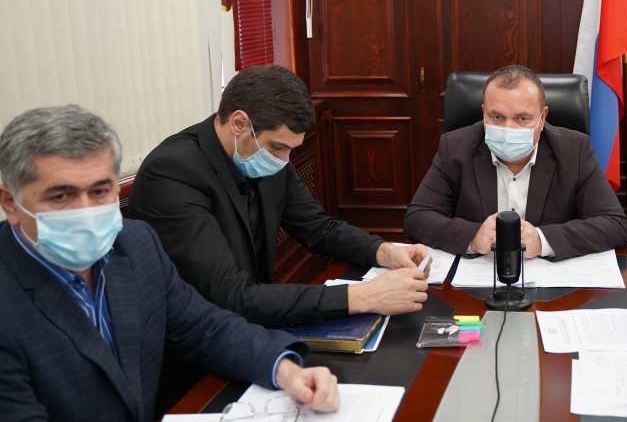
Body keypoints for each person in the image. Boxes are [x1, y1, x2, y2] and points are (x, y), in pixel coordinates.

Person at [0, 105, 339, 421]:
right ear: (11, 203)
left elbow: (203, 328)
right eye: (61, 196)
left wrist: (285, 369)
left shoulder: (136, 244)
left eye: (100, 191)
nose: (86, 212)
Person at [130, 65, 429, 327]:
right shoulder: (172, 174)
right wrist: (364, 296)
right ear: (239, 123)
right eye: (277, 147)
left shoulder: (260, 154)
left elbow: (318, 227)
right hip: (199, 347)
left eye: (290, 149)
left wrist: (383, 251)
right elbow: (232, 297)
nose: (284, 160)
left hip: (251, 324)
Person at [404, 65, 627, 260]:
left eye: (522, 118)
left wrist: (542, 240)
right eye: (497, 117)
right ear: (483, 113)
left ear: (542, 118)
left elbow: (614, 224)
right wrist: (473, 236)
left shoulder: (574, 150)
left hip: (549, 281)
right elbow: (417, 217)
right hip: (478, 278)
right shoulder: (455, 147)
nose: (508, 129)